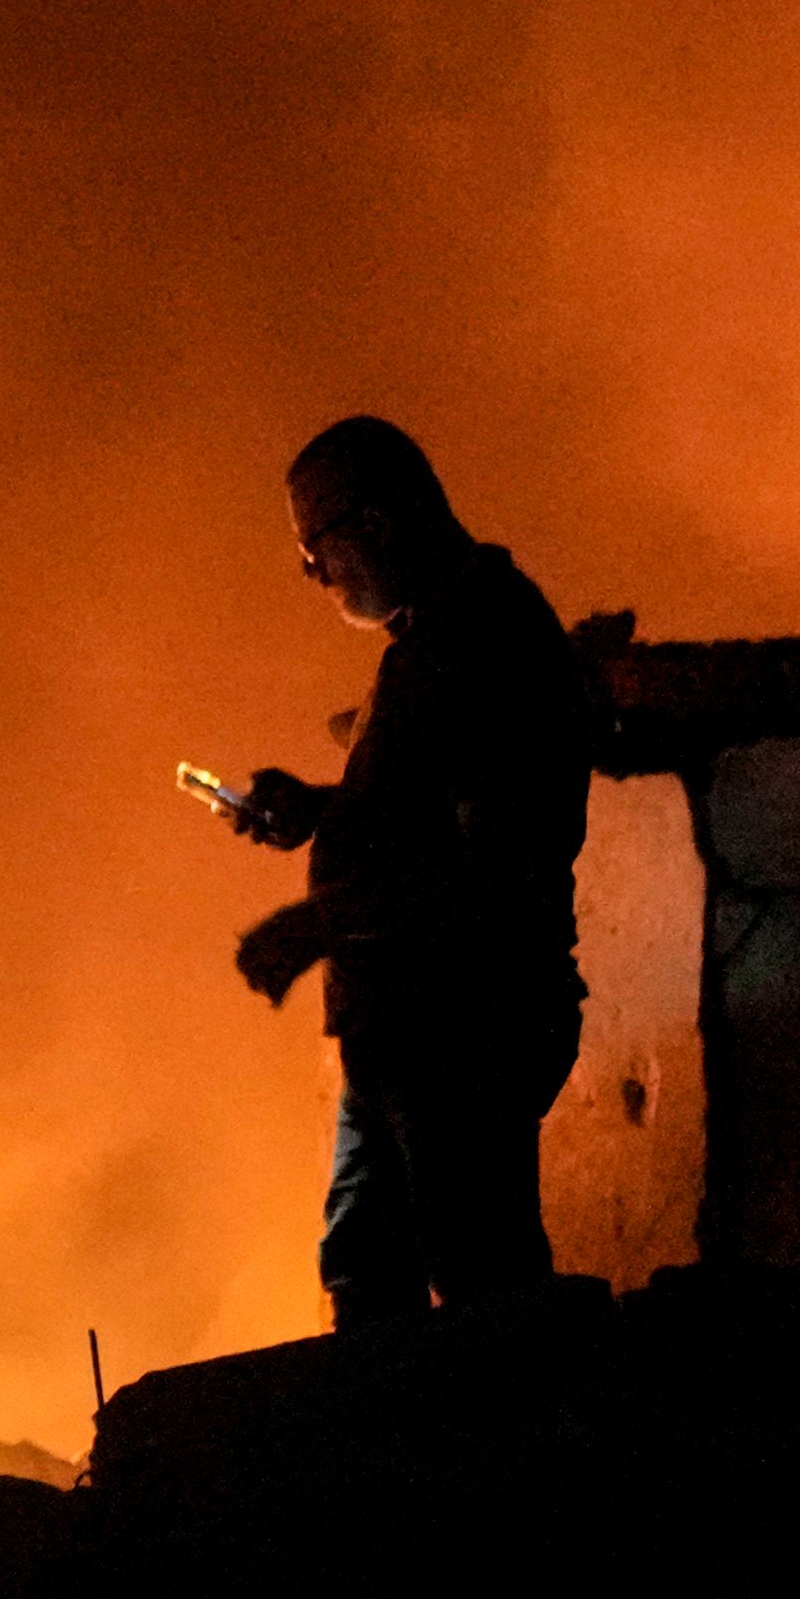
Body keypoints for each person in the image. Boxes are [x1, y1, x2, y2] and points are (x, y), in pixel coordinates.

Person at [217, 417, 593, 1327]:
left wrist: (318, 922)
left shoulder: (484, 645)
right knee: (369, 1280)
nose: (314, 576)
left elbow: (495, 867)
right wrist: (320, 810)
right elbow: (424, 818)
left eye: (315, 549)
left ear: (376, 524)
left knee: (482, 1286)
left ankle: (515, 1460)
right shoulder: (434, 644)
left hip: (462, 1032)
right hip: (402, 1038)